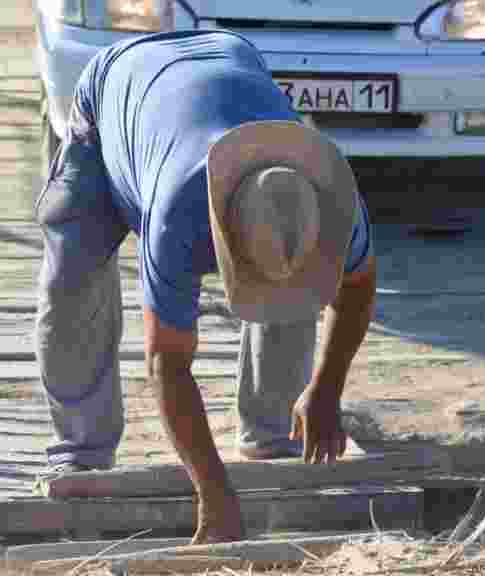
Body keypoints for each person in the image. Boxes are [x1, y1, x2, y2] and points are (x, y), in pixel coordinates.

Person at [34, 29, 377, 544]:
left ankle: (273, 431)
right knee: (72, 281)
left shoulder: (330, 196)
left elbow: (356, 287)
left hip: (226, 55)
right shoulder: (178, 216)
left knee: (287, 261)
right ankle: (81, 453)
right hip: (115, 90)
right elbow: (167, 363)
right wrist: (214, 493)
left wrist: (326, 391)